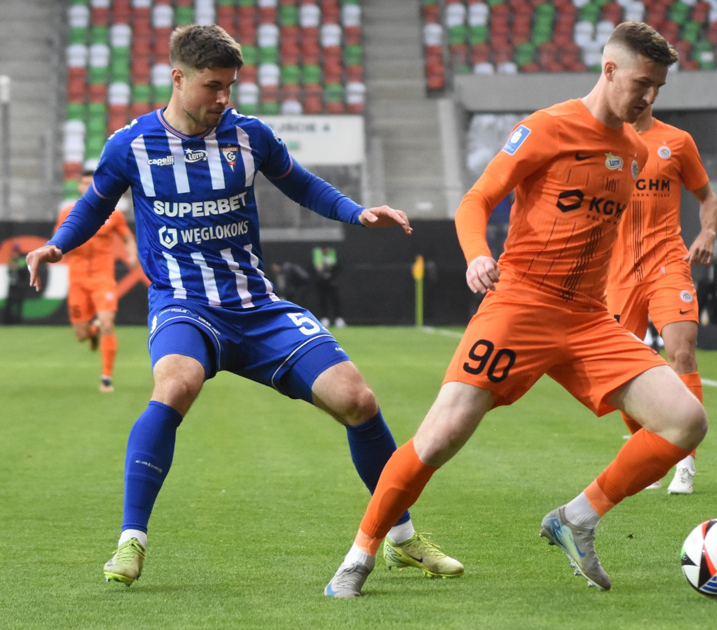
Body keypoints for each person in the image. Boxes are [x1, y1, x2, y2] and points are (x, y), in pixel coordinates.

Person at [26, 25, 459, 587]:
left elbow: (302, 184)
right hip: (184, 303)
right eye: (213, 86)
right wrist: (58, 245)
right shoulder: (130, 145)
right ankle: (131, 540)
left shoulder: (249, 135)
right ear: (177, 78)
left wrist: (356, 212)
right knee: (175, 384)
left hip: (256, 306)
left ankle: (400, 536)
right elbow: (93, 204)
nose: (223, 97)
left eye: (230, 86)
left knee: (357, 400)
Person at [326, 22, 705, 598]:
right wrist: (478, 254)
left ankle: (577, 518)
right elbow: (476, 199)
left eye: (658, 88)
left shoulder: (634, 150)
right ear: (609, 71)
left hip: (588, 318)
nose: (649, 97)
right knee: (439, 438)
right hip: (521, 303)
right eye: (641, 83)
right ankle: (360, 555)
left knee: (686, 420)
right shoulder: (546, 127)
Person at [607, 104, 717, 495]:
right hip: (618, 272)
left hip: (668, 263)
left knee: (682, 353)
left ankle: (685, 461)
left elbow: (707, 198)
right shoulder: (602, 141)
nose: (643, 96)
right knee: (618, 368)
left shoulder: (677, 141)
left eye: (650, 88)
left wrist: (707, 233)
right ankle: (652, 453)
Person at [55, 169, 139, 392]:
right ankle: (92, 331)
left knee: (107, 322)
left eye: (90, 183)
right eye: (83, 183)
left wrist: (132, 254)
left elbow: (127, 237)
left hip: (103, 277)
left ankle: (106, 379)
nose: (87, 186)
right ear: (79, 187)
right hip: (77, 279)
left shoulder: (113, 214)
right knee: (81, 335)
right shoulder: (67, 213)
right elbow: (58, 240)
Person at [312, 245, 344, 327]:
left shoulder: (333, 253)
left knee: (335, 300)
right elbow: (317, 267)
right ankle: (325, 318)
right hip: (321, 283)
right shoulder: (317, 253)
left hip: (332, 282)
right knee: (323, 300)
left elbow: (337, 266)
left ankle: (338, 318)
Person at [4, 242, 30, 324]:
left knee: (19, 303)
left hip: (19, 286)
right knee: (10, 303)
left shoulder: (22, 260)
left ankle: (18, 321)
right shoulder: (11, 260)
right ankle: (9, 321)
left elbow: (24, 271)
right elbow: (9, 272)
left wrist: (16, 266)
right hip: (12, 285)